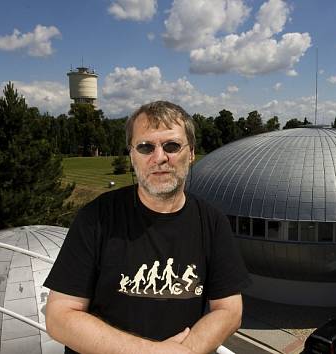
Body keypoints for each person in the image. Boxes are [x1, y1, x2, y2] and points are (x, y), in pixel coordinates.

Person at [44, 101, 250, 354]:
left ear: (192, 152)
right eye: (145, 147)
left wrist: (188, 351)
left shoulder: (212, 222)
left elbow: (230, 310)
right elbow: (59, 316)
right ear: (131, 155)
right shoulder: (96, 217)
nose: (159, 157)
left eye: (172, 146)